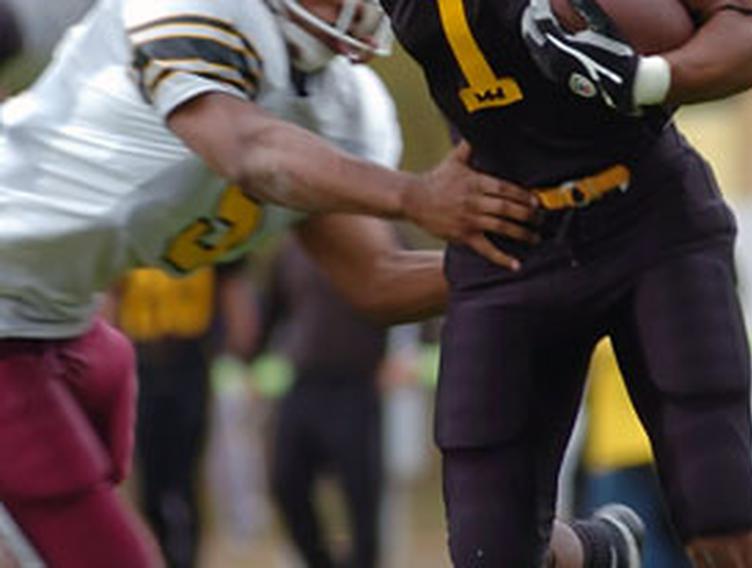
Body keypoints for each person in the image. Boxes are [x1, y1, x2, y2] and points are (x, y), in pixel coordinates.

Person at [0, 0, 541, 564]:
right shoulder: (199, 12)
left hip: (59, 327)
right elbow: (249, 149)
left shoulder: (343, 105)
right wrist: (411, 195)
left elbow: (375, 280)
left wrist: (530, 264)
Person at [377, 0, 752, 565]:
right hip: (509, 231)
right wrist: (411, 194)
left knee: (722, 520)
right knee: (489, 552)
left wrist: (641, 78)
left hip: (648, 215)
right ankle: (601, 555)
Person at [262, 237, 404, 568]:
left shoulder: (381, 236)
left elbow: (418, 295)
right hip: (304, 383)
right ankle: (319, 560)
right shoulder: (294, 246)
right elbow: (272, 312)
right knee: (286, 480)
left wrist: (407, 355)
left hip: (357, 384)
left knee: (362, 495)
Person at [107, 263, 258, 568]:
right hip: (142, 363)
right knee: (150, 478)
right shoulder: (131, 235)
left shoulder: (203, 236)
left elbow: (232, 288)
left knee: (187, 476)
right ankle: (159, 553)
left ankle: (188, 558)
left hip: (190, 359)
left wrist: (241, 346)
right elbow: (112, 295)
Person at [581, 338, 689, 567]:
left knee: (629, 550)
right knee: (683, 546)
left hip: (618, 452)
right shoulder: (670, 323)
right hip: (672, 445)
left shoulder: (591, 320)